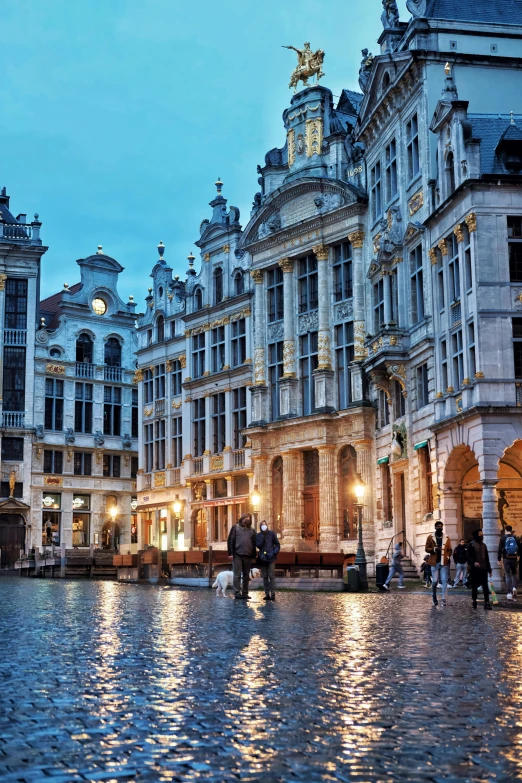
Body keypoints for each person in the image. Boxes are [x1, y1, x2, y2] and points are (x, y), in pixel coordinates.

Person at [227, 513, 257, 600]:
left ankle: (245, 593)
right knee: (237, 575)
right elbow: (230, 540)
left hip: (248, 555)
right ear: (242, 519)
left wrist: (254, 555)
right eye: (246, 518)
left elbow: (254, 543)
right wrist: (230, 553)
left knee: (246, 575)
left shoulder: (252, 530)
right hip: (237, 555)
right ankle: (237, 592)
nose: (247, 519)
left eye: (249, 518)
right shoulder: (235, 528)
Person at [425, 521, 452, 607]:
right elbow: (426, 548)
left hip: (443, 562)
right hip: (434, 562)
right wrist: (434, 549)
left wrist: (447, 557)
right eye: (438, 526)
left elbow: (450, 550)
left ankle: (444, 599)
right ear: (435, 527)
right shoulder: (430, 537)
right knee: (435, 581)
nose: (440, 527)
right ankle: (434, 596)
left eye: (441, 526)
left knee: (444, 580)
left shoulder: (447, 537)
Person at [468, 529, 493, 610]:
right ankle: (474, 601)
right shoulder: (471, 545)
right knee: (474, 586)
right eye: (480, 534)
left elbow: (487, 558)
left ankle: (487, 602)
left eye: (482, 534)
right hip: (475, 569)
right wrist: (474, 562)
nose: (481, 536)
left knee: (485, 586)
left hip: (484, 568)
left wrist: (489, 570)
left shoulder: (484, 545)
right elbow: (468, 557)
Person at [256, 520, 280, 601]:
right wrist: (262, 538)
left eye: (265, 524)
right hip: (263, 557)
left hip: (271, 557)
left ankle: (273, 593)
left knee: (271, 575)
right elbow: (258, 545)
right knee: (265, 576)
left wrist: (274, 552)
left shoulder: (271, 533)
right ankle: (267, 593)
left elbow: (277, 544)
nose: (264, 526)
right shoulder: (258, 535)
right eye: (262, 525)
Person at [497, 524, 518, 600]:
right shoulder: (515, 537)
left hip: (506, 558)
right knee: (514, 574)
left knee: (507, 575)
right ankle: (514, 588)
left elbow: (499, 549)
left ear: (505, 530)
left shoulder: (503, 538)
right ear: (511, 530)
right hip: (514, 558)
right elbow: (519, 547)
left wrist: (499, 559)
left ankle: (509, 593)